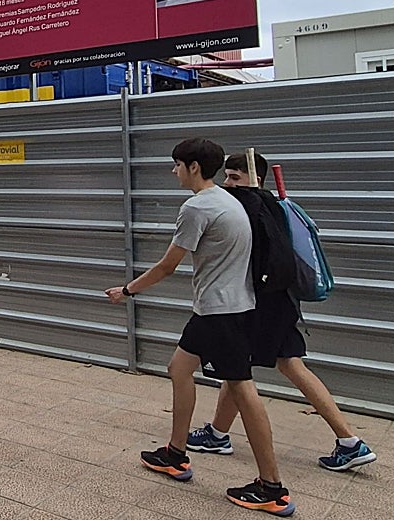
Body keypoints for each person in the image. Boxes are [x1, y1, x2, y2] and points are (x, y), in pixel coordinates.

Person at [106, 138, 295, 517]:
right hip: (224, 307)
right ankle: (176, 453)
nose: (173, 171)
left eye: (177, 165)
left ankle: (272, 487)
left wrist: (127, 290)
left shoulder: (198, 207)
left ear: (194, 167)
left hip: (221, 312)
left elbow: (167, 265)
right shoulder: (230, 199)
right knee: (179, 368)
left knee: (242, 389)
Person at [187, 151, 376, 472]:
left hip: (261, 306)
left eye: (235, 177)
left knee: (239, 370)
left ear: (253, 179)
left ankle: (222, 437)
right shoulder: (273, 205)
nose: (228, 184)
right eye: (227, 177)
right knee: (277, 367)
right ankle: (349, 442)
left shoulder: (249, 206)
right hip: (282, 303)